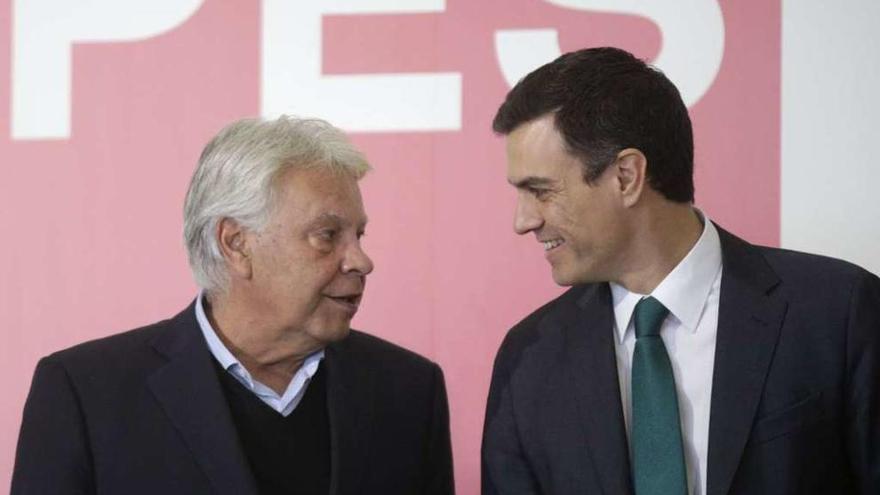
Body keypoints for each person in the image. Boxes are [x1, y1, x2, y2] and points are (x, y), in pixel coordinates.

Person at [481, 47, 879, 495]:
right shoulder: (529, 359)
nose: (524, 221)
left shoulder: (839, 313)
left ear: (627, 176)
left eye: (541, 191)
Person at [12, 116, 454, 495]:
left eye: (359, 235)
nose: (361, 260)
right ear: (236, 244)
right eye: (327, 235)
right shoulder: (86, 394)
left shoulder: (410, 391)